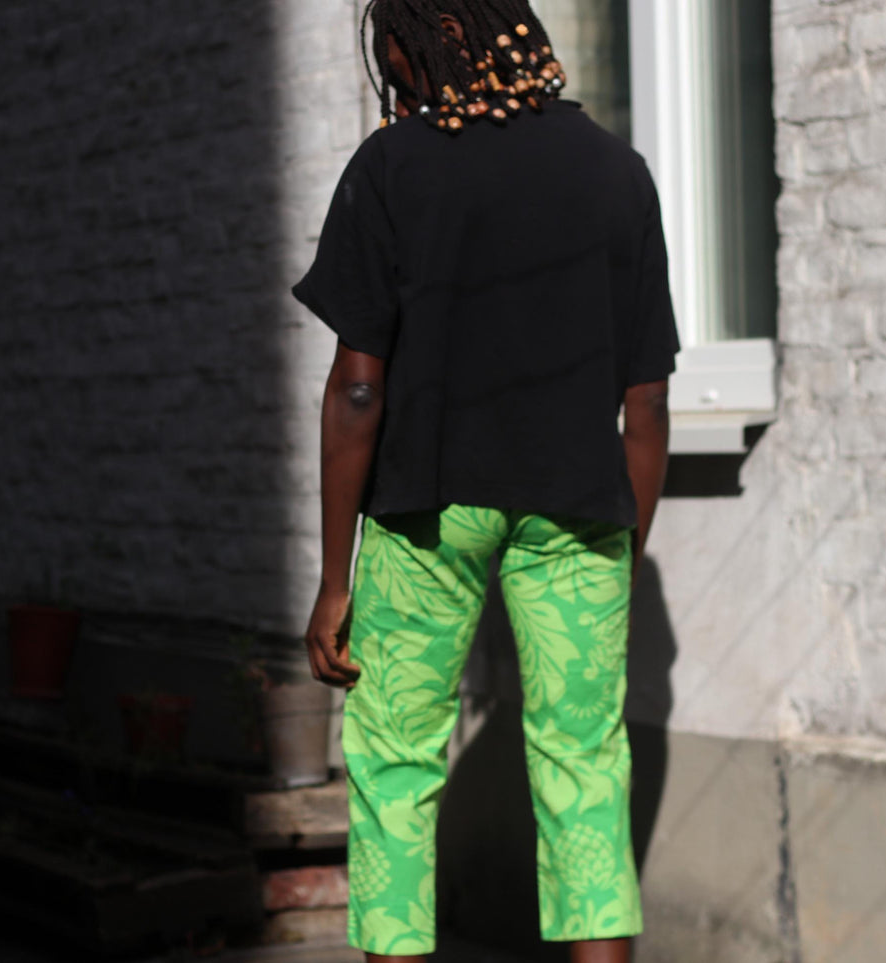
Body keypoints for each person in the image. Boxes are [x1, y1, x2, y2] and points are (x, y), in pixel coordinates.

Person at [291, 1, 678, 960]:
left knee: (394, 762)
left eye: (393, 60)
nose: (393, 84)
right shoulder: (615, 173)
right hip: (580, 505)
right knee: (583, 763)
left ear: (423, 46)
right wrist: (621, 552)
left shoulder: (392, 168)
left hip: (427, 510)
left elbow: (355, 388)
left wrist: (336, 577)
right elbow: (648, 405)